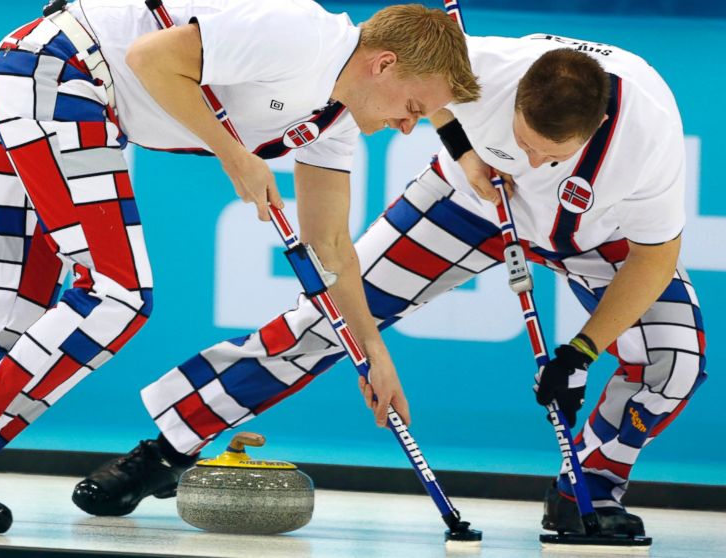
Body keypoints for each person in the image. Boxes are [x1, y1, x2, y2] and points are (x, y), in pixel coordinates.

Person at [0, 0, 478, 534]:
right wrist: (233, 155)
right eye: (416, 105)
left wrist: (373, 351)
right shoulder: (301, 33)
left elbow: (333, 249)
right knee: (117, 294)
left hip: (55, 88)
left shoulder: (336, 125)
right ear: (384, 64)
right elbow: (152, 59)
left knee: (10, 321)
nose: (413, 125)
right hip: (57, 70)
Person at [74, 33, 705, 540]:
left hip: (605, 237)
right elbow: (420, 95)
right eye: (522, 142)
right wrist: (464, 152)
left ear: (595, 127)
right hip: (471, 204)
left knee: (674, 362)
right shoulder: (480, 66)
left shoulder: (648, 138)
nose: (533, 163)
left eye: (550, 156)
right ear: (510, 98)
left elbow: (654, 260)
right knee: (331, 319)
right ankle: (165, 450)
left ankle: (584, 495)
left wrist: (581, 351)